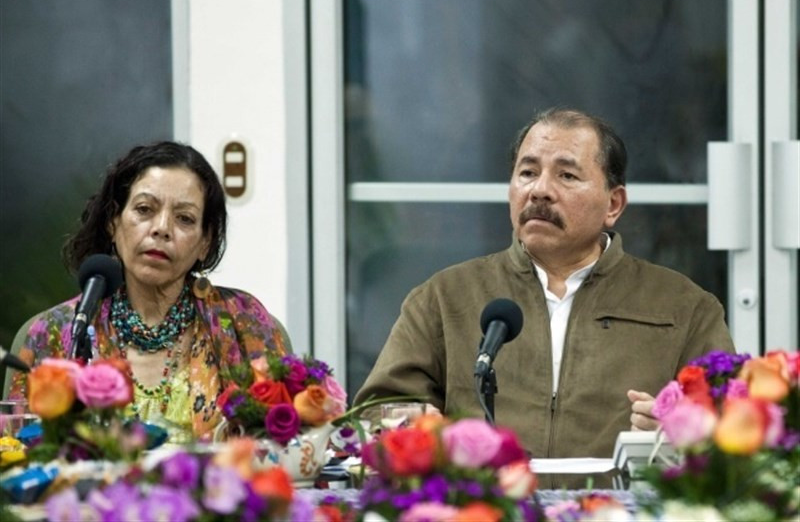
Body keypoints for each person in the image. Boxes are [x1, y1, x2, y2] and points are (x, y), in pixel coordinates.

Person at [354, 108, 736, 486]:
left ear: (613, 204)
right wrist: (424, 433)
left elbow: (734, 431)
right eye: (527, 173)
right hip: (486, 509)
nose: (540, 190)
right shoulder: (444, 297)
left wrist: (680, 433)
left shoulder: (684, 307)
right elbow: (375, 414)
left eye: (567, 175)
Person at [8, 141, 289, 443]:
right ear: (113, 222)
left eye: (184, 218)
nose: (162, 228)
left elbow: (290, 448)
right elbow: (14, 450)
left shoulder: (245, 324)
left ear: (205, 243)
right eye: (144, 209)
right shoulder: (56, 332)